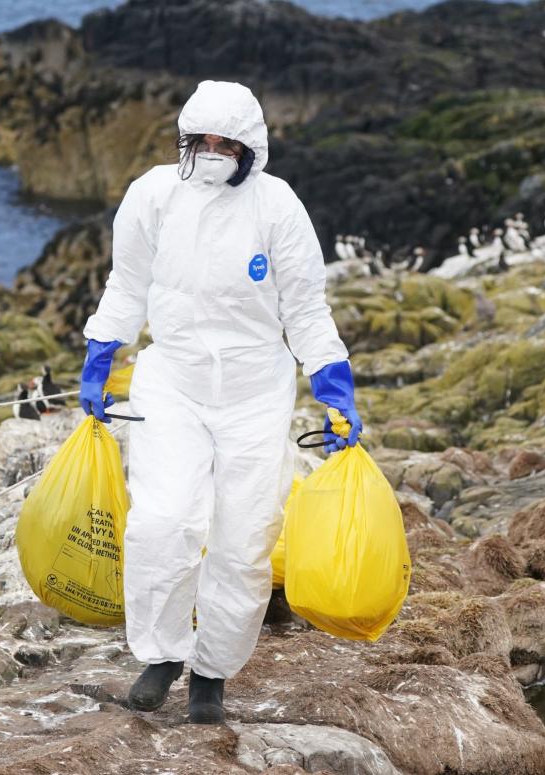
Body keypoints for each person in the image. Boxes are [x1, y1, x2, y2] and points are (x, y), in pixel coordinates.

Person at [78, 80, 359, 725]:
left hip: (255, 390)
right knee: (162, 523)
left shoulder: (278, 207)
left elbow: (308, 310)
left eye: (223, 142)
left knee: (242, 542)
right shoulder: (152, 196)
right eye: (198, 140)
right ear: (184, 142)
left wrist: (334, 390)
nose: (210, 151)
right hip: (171, 380)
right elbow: (126, 284)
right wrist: (100, 359)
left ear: (249, 147)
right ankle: (161, 654)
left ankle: (211, 673)